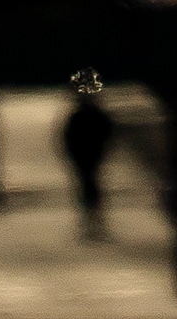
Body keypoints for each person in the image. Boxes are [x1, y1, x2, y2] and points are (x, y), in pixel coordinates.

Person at [58, 72, 117, 237]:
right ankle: (93, 221)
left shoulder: (79, 116)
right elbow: (108, 133)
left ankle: (91, 221)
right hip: (89, 154)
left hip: (86, 154)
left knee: (88, 185)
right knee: (91, 185)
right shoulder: (91, 115)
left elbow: (67, 137)